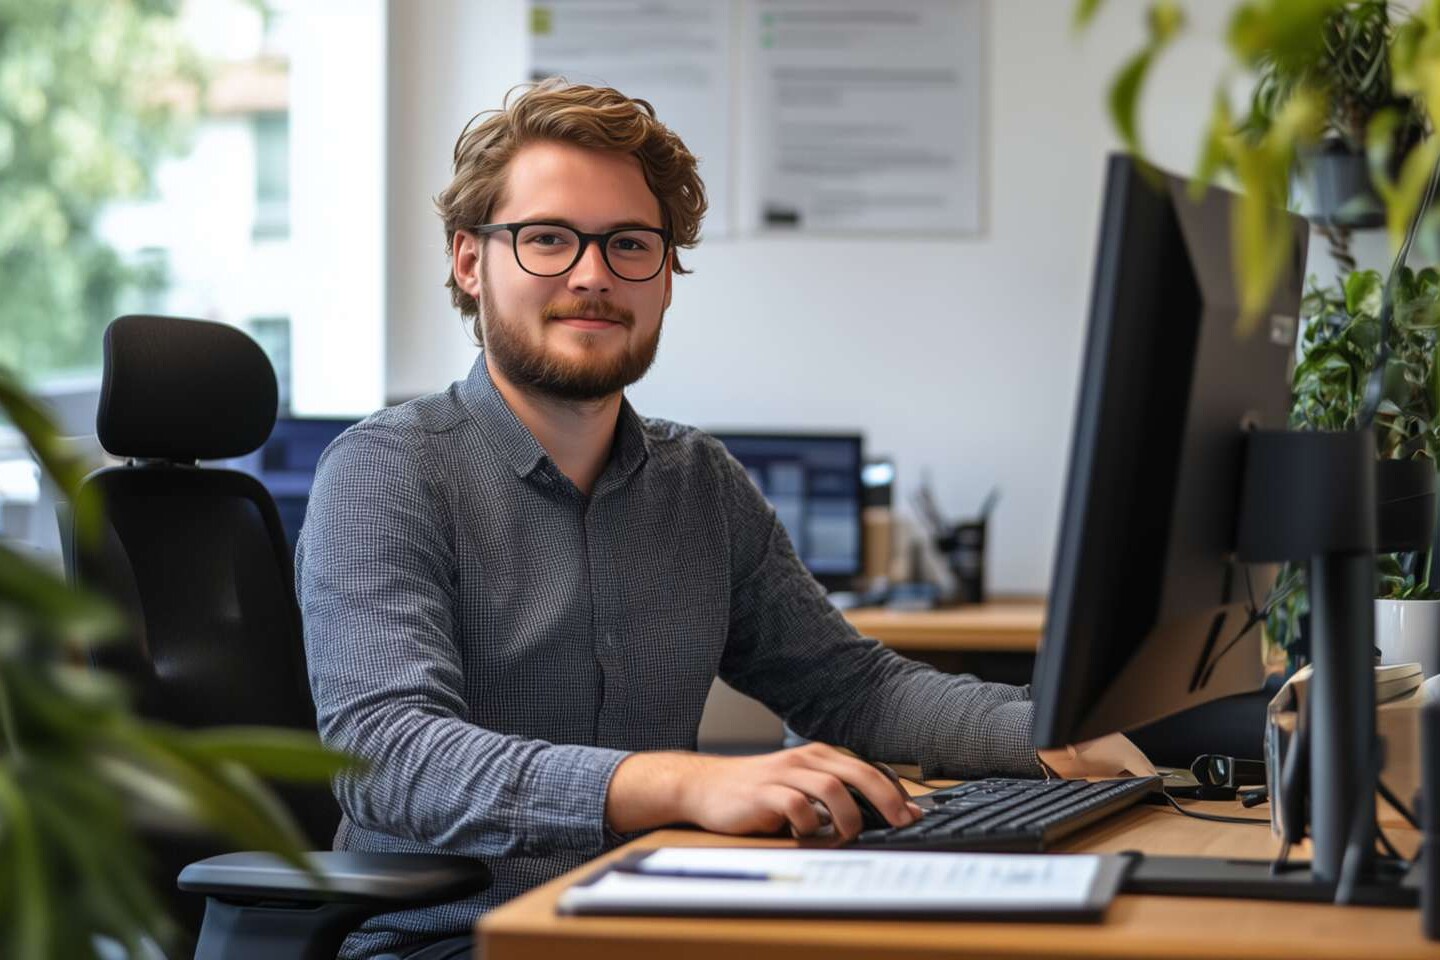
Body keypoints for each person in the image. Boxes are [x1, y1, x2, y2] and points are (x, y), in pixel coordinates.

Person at [297, 79, 1150, 960]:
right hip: (450, 941)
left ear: (667, 276)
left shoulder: (697, 481)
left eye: (630, 244)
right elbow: (388, 753)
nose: (592, 273)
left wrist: (1056, 732)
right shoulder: (388, 469)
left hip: (665, 922)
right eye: (548, 238)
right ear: (471, 263)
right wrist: (678, 783)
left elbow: (848, 687)